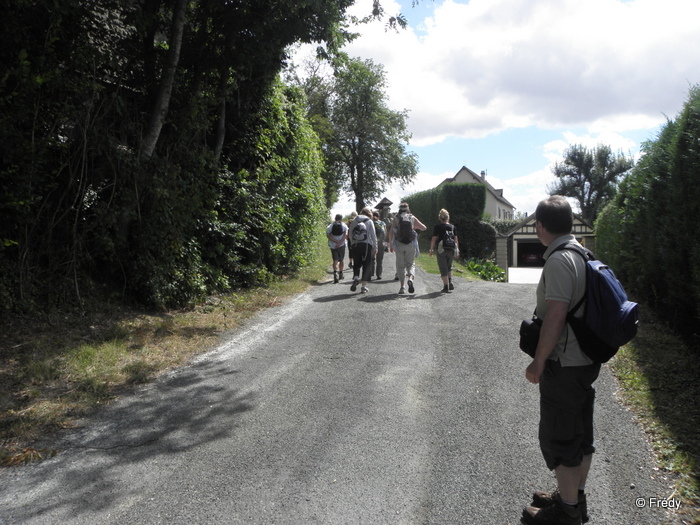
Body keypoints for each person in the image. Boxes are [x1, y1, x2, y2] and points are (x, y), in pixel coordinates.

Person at [521, 196, 601, 525]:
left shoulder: (558, 260)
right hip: (585, 360)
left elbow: (555, 317)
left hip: (565, 364)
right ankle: (574, 498)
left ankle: (567, 512)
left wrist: (538, 362)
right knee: (579, 433)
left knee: (561, 437)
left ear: (540, 227)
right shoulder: (583, 253)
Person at [388, 202, 426, 294]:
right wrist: (413, 227)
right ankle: (410, 279)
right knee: (410, 264)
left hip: (399, 244)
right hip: (410, 244)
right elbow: (424, 228)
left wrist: (391, 245)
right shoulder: (411, 217)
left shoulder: (396, 218)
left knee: (400, 266)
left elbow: (391, 232)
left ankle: (402, 287)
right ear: (408, 209)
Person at [348, 207, 378, 293]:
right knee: (366, 264)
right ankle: (363, 287)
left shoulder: (354, 221)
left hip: (356, 245)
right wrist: (375, 247)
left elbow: (350, 234)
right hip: (366, 245)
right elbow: (373, 235)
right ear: (369, 214)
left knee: (356, 263)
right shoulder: (369, 221)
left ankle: (356, 277)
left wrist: (353, 244)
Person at [429, 209, 459, 293]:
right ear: (448, 217)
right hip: (451, 249)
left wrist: (431, 249)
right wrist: (457, 250)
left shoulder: (438, 227)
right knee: (449, 266)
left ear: (440, 218)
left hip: (442, 249)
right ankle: (450, 281)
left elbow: (434, 239)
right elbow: (456, 239)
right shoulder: (453, 227)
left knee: (443, 267)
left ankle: (446, 286)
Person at [326, 214, 348, 284]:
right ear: (341, 219)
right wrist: (340, 242)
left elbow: (328, 235)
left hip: (333, 245)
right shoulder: (344, 225)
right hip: (341, 245)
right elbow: (346, 235)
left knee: (335, 260)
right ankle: (341, 273)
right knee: (341, 259)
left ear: (335, 218)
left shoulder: (330, 226)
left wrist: (335, 241)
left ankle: (335, 273)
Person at [371, 211, 386, 280]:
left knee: (371, 259)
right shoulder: (383, 223)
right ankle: (378, 274)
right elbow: (385, 233)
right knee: (379, 260)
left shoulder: (371, 223)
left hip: (372, 243)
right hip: (381, 243)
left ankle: (371, 273)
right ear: (379, 216)